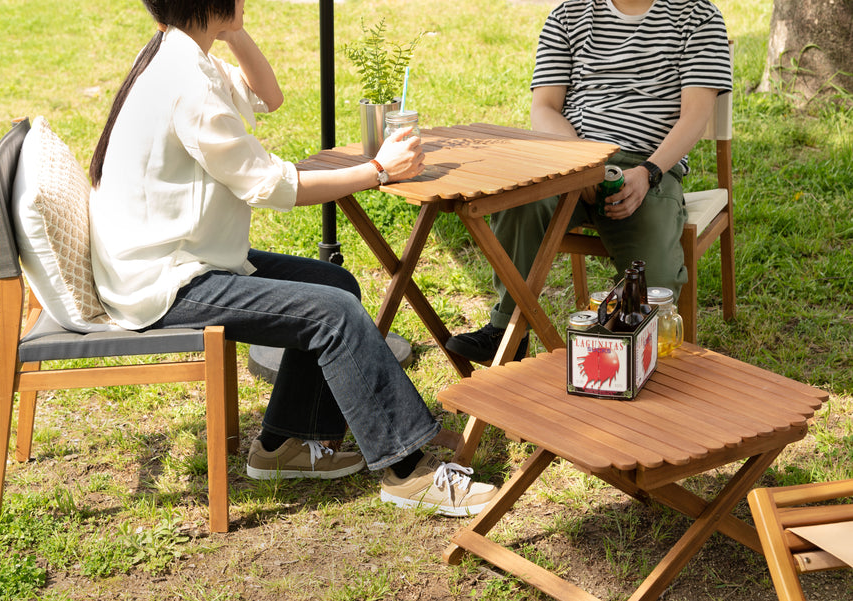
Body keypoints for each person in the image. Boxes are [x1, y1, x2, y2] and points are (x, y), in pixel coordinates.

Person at [88, 0, 497, 516]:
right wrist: (379, 170)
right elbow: (272, 185)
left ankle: (284, 443)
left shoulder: (183, 56)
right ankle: (406, 472)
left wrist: (234, 31)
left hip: (180, 258)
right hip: (166, 281)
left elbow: (268, 96)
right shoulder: (186, 85)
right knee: (334, 313)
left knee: (336, 284)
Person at [446, 0, 732, 362]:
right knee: (517, 201)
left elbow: (696, 113)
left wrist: (648, 173)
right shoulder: (568, 14)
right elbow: (545, 107)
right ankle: (507, 331)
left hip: (647, 165)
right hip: (571, 157)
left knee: (654, 284)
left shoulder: (698, 15)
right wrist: (580, 165)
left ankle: (631, 351)